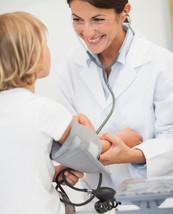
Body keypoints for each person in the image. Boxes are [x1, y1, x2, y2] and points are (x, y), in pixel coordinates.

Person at [0, 11, 108, 214]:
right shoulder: (45, 110)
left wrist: (56, 171)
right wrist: (86, 130)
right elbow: (92, 149)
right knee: (66, 204)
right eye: (45, 45)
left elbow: (16, 171)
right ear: (33, 57)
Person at [55, 0, 173, 190]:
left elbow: (170, 137)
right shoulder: (71, 65)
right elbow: (66, 138)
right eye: (77, 19)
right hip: (95, 202)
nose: (87, 32)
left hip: (151, 195)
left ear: (125, 11)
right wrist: (114, 143)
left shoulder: (163, 64)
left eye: (98, 19)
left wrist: (131, 154)